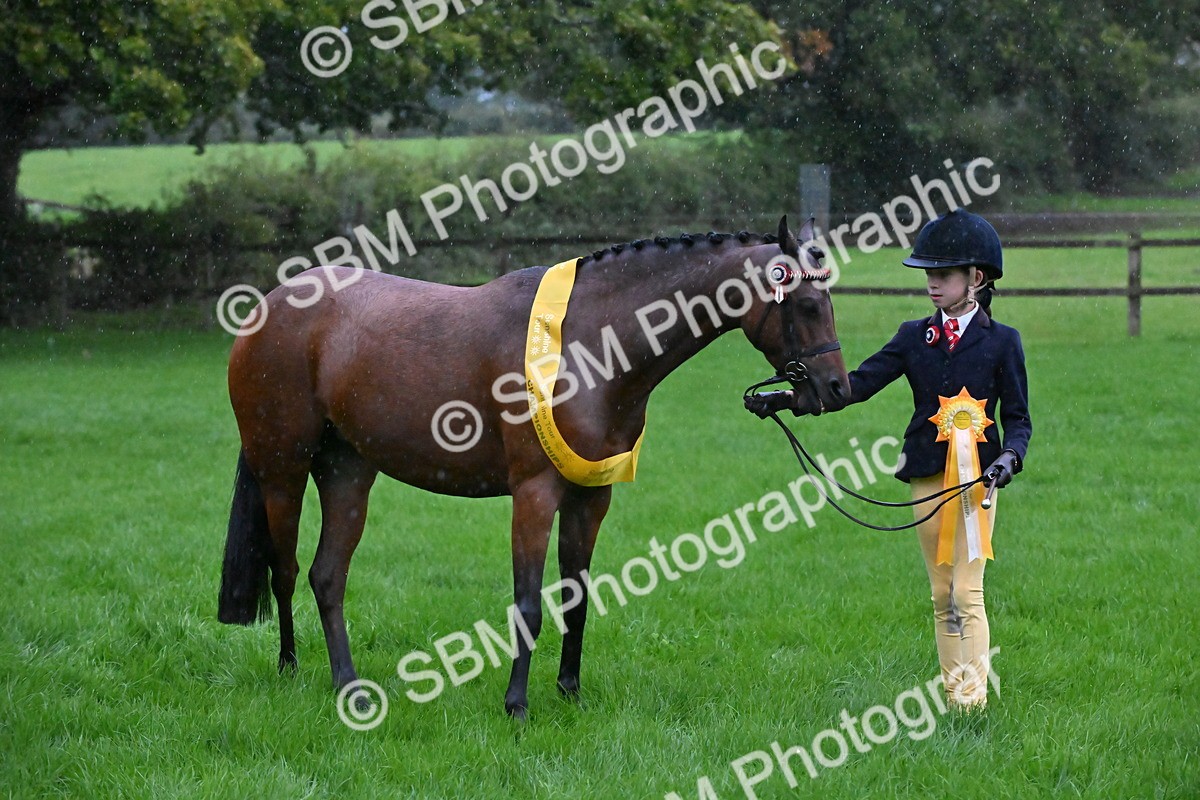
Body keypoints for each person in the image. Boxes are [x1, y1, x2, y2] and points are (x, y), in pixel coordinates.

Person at [750, 208, 1031, 710]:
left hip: (976, 482)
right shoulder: (911, 336)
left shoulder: (1004, 342)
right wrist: (786, 401)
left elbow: (1020, 420)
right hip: (925, 478)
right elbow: (853, 387)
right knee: (942, 596)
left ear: (976, 279)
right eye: (928, 275)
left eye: (942, 275)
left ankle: (973, 702)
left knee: (968, 593)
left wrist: (1007, 460)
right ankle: (954, 698)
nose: (932, 284)